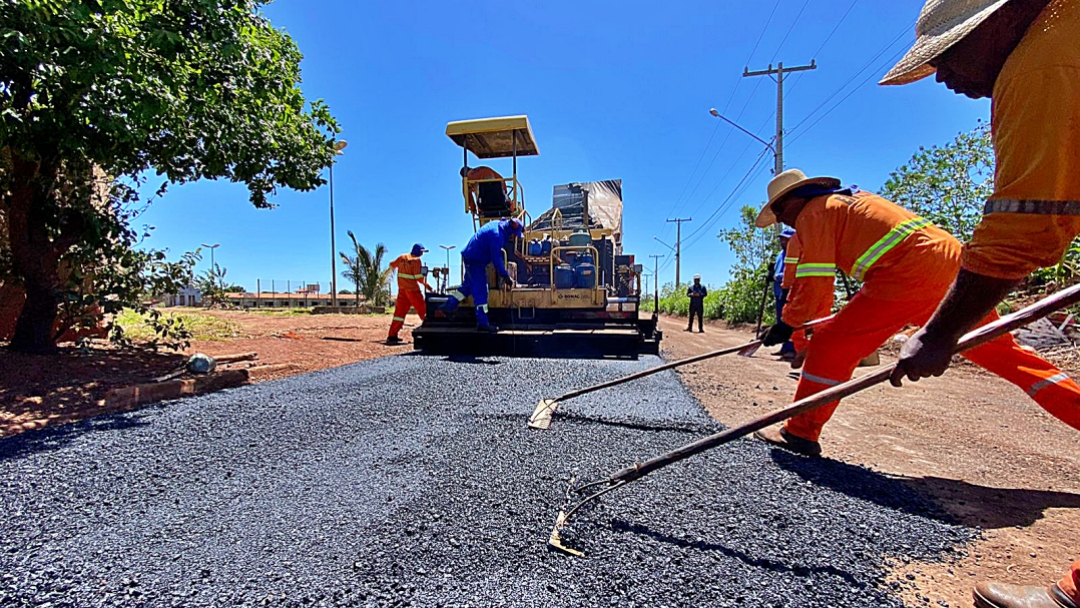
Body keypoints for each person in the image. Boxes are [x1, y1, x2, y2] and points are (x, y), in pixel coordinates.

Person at [879, 2, 1080, 606]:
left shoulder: (1043, 62)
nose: (942, 76)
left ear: (1005, 16)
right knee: (1012, 357)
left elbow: (1026, 225)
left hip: (929, 277)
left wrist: (937, 335)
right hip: (939, 269)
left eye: (948, 53)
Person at [749, 169, 1080, 458]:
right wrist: (799, 327)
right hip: (954, 265)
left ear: (789, 203)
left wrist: (789, 324)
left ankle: (800, 432)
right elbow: (820, 295)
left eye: (780, 215)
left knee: (831, 346)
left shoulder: (813, 213)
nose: (784, 222)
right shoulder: (850, 201)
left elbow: (816, 285)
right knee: (1005, 353)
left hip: (906, 272)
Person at [440, 218, 524, 332]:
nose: (514, 237)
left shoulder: (497, 225)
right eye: (515, 235)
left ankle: (448, 307)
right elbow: (496, 259)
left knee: (467, 288)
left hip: (471, 257)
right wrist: (505, 275)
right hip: (475, 261)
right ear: (511, 230)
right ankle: (482, 323)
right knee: (481, 291)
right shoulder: (497, 235)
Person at [386, 244, 432, 344]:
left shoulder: (402, 257)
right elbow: (418, 278)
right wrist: (427, 286)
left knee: (399, 314)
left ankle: (392, 335)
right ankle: (431, 329)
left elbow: (391, 264)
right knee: (423, 310)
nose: (422, 254)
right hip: (413, 290)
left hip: (402, 290)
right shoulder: (416, 261)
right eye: (421, 252)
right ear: (418, 251)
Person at [772, 227, 798, 359]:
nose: (782, 241)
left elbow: (795, 273)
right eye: (781, 239)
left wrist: (779, 276)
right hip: (779, 291)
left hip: (790, 292)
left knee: (789, 321)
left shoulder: (796, 253)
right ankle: (784, 347)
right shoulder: (780, 255)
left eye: (785, 239)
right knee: (781, 321)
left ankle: (792, 349)